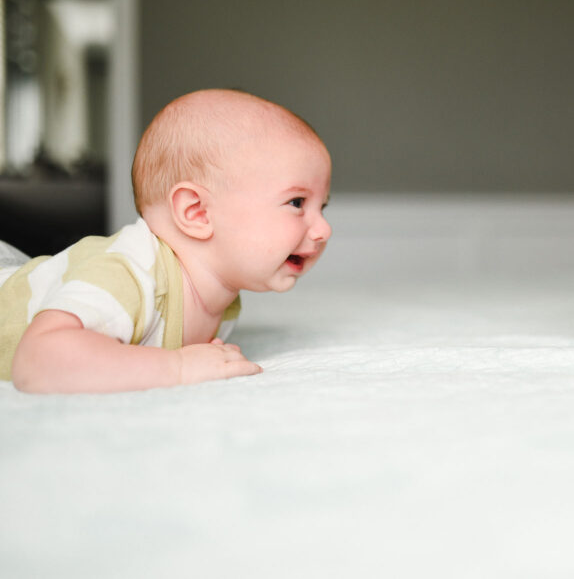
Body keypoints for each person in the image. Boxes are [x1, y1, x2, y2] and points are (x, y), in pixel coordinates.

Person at [0, 89, 332, 393]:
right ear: (197, 212)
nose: (323, 230)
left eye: (322, 207)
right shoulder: (128, 273)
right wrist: (178, 367)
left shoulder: (224, 302)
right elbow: (37, 362)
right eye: (297, 203)